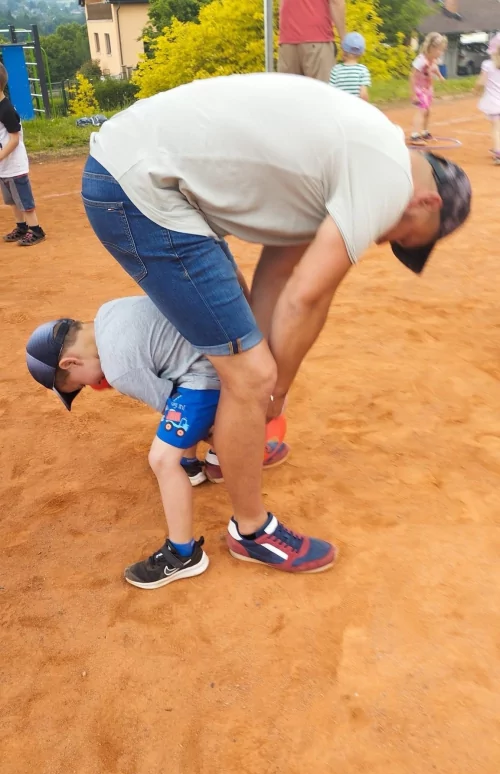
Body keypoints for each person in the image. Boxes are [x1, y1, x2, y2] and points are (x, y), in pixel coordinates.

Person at [80, 73, 471, 575]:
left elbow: (279, 272)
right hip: (138, 190)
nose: (382, 241)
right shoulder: (389, 177)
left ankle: (228, 450)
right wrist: (274, 388)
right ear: (427, 202)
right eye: (405, 236)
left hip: (140, 170)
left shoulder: (359, 154)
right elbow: (308, 297)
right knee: (252, 373)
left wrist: (262, 382)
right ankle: (251, 530)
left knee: (244, 349)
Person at [25, 296, 289, 588]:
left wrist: (237, 441)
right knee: (174, 393)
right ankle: (199, 464)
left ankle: (183, 553)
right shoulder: (109, 311)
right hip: (214, 352)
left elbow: (172, 407)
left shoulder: (120, 370)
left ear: (70, 362)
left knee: (162, 458)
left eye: (79, 384)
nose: (90, 386)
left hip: (208, 376)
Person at [0, 63, 45, 246]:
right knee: (12, 201)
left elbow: (14, 139)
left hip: (14, 165)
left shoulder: (6, 110)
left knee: (24, 201)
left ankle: (36, 230)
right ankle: (21, 227)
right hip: (4, 167)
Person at [278, 0, 346, 82]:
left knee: (288, 92)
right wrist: (344, 39)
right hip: (318, 39)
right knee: (321, 91)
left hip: (287, 41)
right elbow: (336, 2)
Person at [410, 33, 448, 141]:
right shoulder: (421, 60)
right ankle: (415, 134)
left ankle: (424, 131)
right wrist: (413, 94)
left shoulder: (433, 60)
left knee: (428, 111)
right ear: (431, 47)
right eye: (439, 50)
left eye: (442, 50)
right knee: (421, 111)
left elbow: (435, 69)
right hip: (419, 89)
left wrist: (440, 76)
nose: (441, 53)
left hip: (427, 89)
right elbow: (412, 75)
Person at [476, 32, 500, 165]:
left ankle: (498, 153)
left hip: (493, 102)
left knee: (496, 128)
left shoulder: (488, 64)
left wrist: (475, 90)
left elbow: (481, 82)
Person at [329, 32, 371, 100]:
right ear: (361, 53)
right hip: (355, 107)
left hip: (340, 107)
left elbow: (331, 91)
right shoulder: (363, 70)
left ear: (343, 51)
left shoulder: (336, 69)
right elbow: (363, 94)